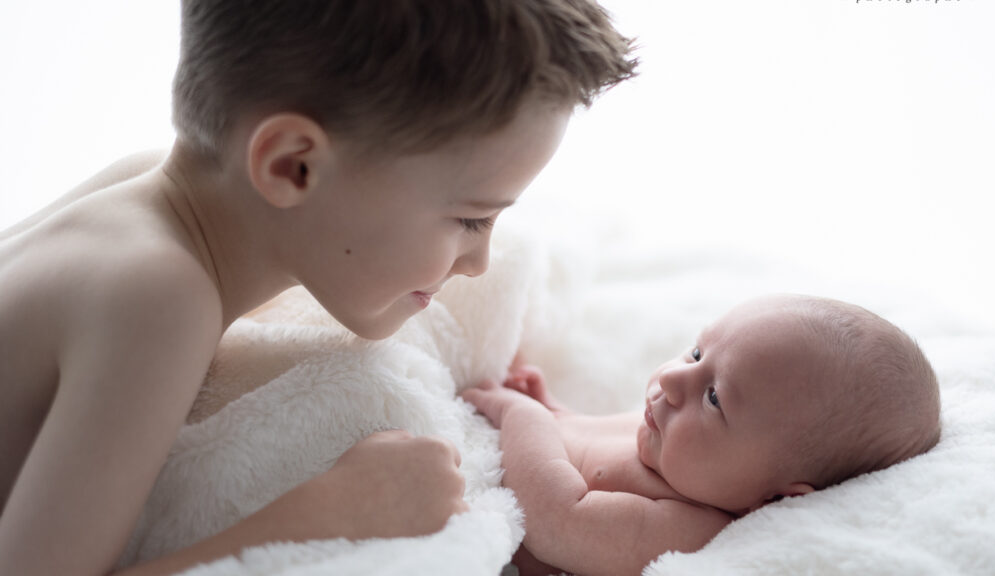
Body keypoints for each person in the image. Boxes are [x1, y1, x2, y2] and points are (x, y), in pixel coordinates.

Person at [0, 2, 637, 575]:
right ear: (291, 166)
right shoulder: (158, 296)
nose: (480, 262)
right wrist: (333, 508)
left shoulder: (141, 191)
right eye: (470, 218)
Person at [463, 294, 942, 576]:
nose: (672, 380)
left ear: (775, 500)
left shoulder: (688, 526)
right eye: (695, 353)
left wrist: (522, 415)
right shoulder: (676, 442)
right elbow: (587, 444)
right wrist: (556, 410)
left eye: (713, 397)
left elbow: (558, 521)